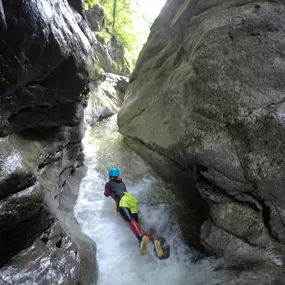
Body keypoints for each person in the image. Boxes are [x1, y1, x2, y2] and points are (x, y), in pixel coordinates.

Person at [104, 167, 163, 257]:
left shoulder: (108, 184)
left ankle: (141, 238)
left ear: (110, 176)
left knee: (130, 221)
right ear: (117, 176)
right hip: (131, 201)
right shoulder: (122, 183)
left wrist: (106, 183)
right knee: (136, 226)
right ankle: (154, 242)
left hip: (122, 201)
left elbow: (106, 194)